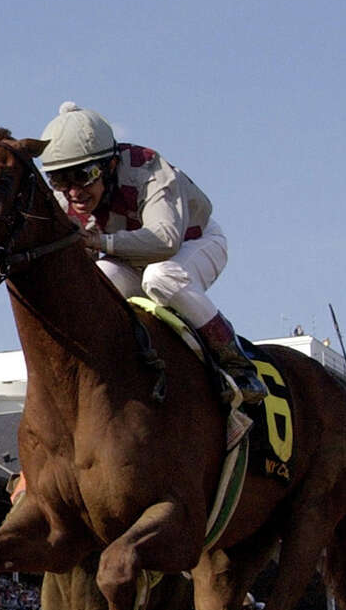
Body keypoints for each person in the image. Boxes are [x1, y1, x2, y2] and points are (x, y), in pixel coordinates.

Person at [38, 102, 266, 403]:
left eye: (83, 175)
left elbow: (165, 240)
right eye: (59, 179)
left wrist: (100, 243)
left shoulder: (147, 168)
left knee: (161, 278)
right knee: (102, 280)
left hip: (193, 242)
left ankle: (237, 366)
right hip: (130, 258)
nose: (73, 192)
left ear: (109, 165)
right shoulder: (66, 197)